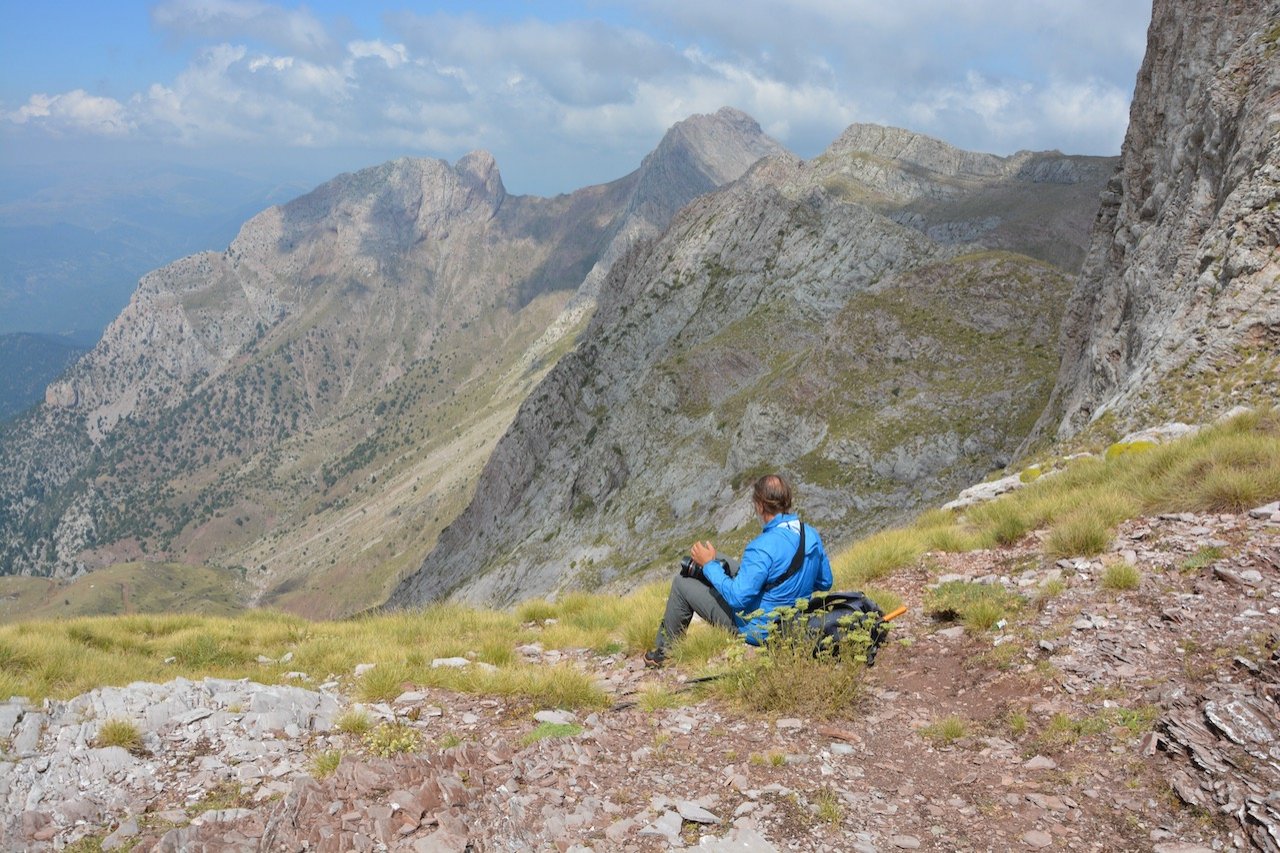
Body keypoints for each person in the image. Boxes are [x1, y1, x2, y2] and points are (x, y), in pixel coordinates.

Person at [645, 473, 833, 667]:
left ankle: (665, 651)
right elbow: (825, 582)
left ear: (760, 505)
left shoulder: (760, 546)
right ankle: (709, 569)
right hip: (794, 618)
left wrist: (709, 566)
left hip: (757, 628)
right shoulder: (809, 533)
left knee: (681, 583)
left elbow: (737, 599)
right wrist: (791, 585)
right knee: (719, 558)